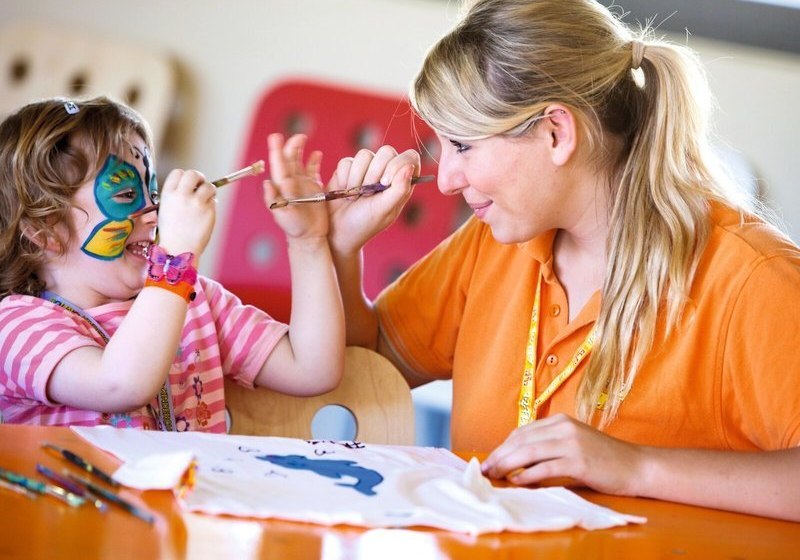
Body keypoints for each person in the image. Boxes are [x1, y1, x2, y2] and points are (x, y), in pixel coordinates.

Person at [319, 0, 800, 521]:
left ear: (556, 133)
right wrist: (341, 249)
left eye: (462, 145)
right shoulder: (494, 243)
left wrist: (635, 467)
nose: (447, 180)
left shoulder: (753, 278)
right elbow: (366, 368)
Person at [0, 96, 344, 431]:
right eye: (125, 195)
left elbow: (312, 369)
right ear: (45, 231)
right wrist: (175, 257)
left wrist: (308, 240)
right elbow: (121, 384)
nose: (155, 213)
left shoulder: (194, 301)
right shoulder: (17, 326)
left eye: (154, 193)